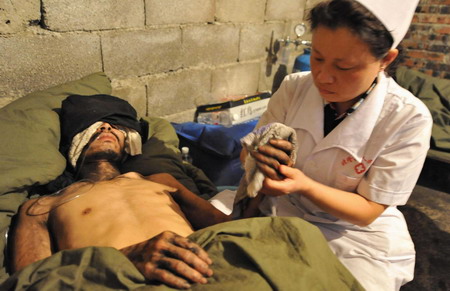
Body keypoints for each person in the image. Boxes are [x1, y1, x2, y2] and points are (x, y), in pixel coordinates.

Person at [241, 0, 432, 290]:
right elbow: (251, 148)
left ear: (386, 60)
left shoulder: (407, 118)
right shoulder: (294, 87)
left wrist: (303, 185)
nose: (323, 77)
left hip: (352, 236)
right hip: (281, 209)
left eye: (344, 66)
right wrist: (256, 160)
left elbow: (368, 210)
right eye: (317, 57)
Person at [10, 95, 231, 289]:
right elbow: (30, 281)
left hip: (207, 273)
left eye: (114, 126)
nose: (106, 129)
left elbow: (228, 226)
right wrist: (122, 260)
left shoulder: (162, 181)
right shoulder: (42, 207)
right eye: (94, 127)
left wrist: (261, 192)